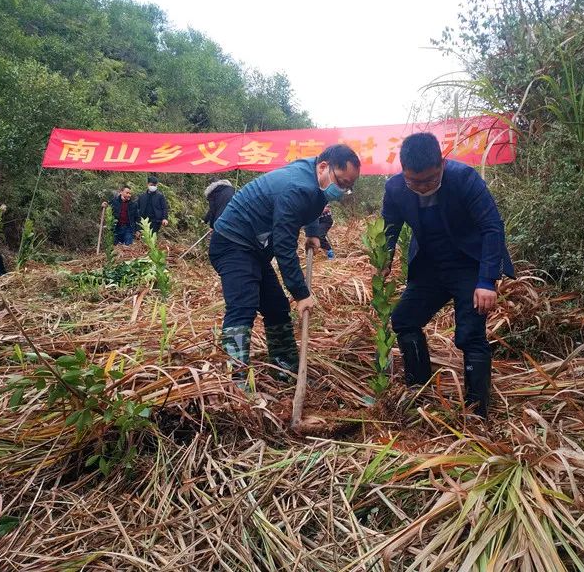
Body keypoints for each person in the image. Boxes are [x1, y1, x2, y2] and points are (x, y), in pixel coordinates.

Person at [382, 132, 514, 419]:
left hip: (469, 265)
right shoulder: (395, 188)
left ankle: (477, 412)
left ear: (441, 164)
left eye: (429, 180)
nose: (421, 187)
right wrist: (384, 260)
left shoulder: (464, 179)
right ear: (402, 169)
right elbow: (389, 228)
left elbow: (492, 226)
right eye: (413, 181)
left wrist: (486, 281)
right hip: (430, 266)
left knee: (470, 334)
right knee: (404, 319)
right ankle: (419, 391)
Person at [210, 145, 360, 385]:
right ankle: (234, 381)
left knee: (277, 308)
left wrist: (313, 232)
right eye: (341, 182)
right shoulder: (296, 187)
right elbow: (283, 247)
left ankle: (285, 368)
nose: (342, 190)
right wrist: (301, 294)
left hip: (255, 248)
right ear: (324, 167)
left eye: (347, 186)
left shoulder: (312, 175)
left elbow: (312, 203)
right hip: (232, 243)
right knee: (243, 307)